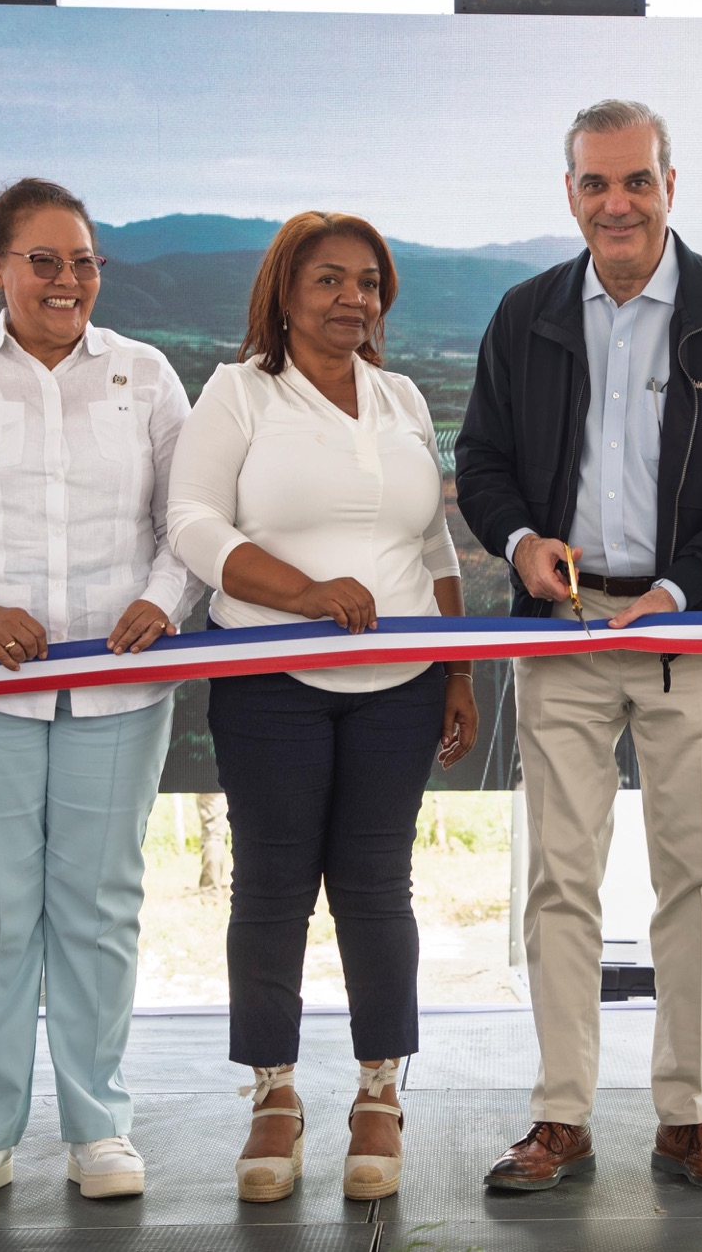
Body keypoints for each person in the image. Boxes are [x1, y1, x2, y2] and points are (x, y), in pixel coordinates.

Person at [456, 99, 702, 1192]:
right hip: (557, 629)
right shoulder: (524, 313)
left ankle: (687, 1116)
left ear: (668, 184)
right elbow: (484, 459)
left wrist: (678, 586)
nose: (617, 203)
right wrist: (518, 546)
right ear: (569, 193)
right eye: (595, 184)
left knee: (691, 878)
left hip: (686, 630)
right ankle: (558, 1117)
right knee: (560, 879)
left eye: (635, 181)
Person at [0, 178, 202, 1205]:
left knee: (100, 904)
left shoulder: (147, 375)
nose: (67, 281)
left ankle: (99, 1124)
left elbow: (185, 522)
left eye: (84, 261)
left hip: (119, 682)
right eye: (43, 260)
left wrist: (161, 600)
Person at [167, 211, 477, 1203]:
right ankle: (273, 1094)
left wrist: (458, 670)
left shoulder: (399, 397)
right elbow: (191, 523)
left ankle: (380, 1091)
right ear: (285, 294)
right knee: (270, 886)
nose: (352, 298)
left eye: (369, 282)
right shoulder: (238, 394)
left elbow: (431, 546)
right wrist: (300, 594)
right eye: (329, 280)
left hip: (401, 682)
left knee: (378, 888)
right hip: (268, 678)